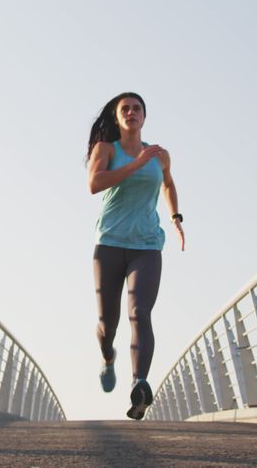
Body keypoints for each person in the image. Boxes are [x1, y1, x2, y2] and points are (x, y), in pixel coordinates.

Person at [86, 92, 184, 420]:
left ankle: (139, 383)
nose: (131, 112)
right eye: (124, 108)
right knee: (107, 324)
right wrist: (137, 165)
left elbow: (167, 184)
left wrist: (175, 217)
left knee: (140, 312)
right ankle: (108, 358)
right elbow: (94, 183)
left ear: (144, 117)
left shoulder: (160, 155)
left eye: (136, 108)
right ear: (117, 118)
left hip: (147, 245)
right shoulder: (106, 150)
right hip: (110, 244)